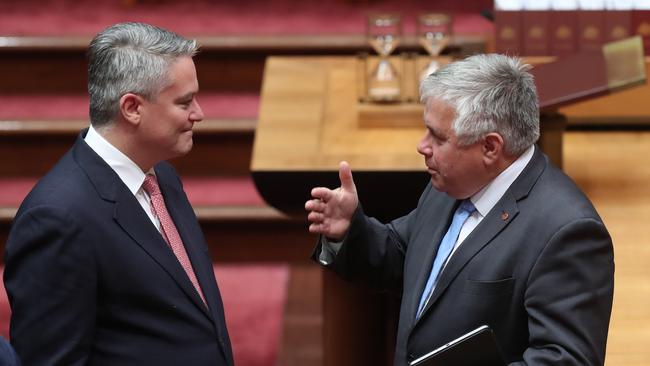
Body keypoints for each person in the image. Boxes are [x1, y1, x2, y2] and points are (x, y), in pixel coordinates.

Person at [305, 54, 614, 365]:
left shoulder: (568, 232)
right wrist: (350, 230)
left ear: (490, 147)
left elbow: (565, 360)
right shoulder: (452, 183)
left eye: (438, 137)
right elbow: (406, 257)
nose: (422, 146)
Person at [4, 22, 233, 365]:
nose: (198, 114)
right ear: (132, 108)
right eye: (185, 102)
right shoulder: (56, 219)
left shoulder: (162, 176)